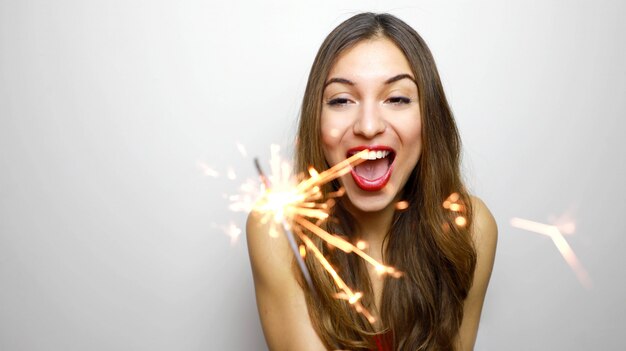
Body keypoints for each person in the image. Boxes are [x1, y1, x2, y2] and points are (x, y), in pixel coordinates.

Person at [247, 12, 497, 351]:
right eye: (341, 100)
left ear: (429, 120)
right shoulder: (277, 227)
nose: (368, 125)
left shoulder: (470, 228)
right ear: (316, 124)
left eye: (396, 98)